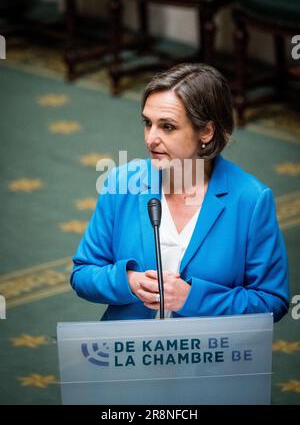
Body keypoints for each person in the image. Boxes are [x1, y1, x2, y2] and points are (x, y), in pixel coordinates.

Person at [71, 63, 289, 322]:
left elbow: (271, 301)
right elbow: (83, 273)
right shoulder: (122, 182)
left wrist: (194, 299)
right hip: (130, 354)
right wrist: (128, 281)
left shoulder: (251, 200)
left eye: (168, 126)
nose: (150, 139)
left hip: (208, 358)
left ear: (206, 131)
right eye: (147, 123)